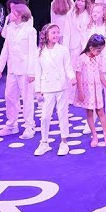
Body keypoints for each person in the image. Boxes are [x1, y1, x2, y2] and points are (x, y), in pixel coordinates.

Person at [0, 2, 38, 138]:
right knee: (9, 96)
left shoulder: (30, 31)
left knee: (27, 98)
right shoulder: (10, 29)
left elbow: (33, 52)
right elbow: (5, 48)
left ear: (20, 15)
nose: (9, 15)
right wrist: (0, 66)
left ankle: (29, 126)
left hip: (25, 69)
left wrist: (32, 72)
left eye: (12, 12)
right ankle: (12, 124)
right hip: (12, 68)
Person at [34, 24, 75, 156]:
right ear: (46, 34)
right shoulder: (39, 51)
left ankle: (64, 142)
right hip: (47, 86)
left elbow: (67, 66)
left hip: (61, 86)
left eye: (58, 32)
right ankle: (44, 142)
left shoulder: (63, 50)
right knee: (45, 116)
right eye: (53, 33)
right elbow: (37, 72)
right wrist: (37, 90)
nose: (56, 35)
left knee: (62, 114)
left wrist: (72, 77)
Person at [74, 35, 106, 148]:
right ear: (91, 48)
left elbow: (101, 74)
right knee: (89, 112)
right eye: (98, 50)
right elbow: (78, 76)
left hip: (97, 89)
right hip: (87, 90)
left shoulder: (98, 58)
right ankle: (94, 135)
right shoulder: (82, 58)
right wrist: (80, 91)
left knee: (101, 111)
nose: (100, 53)